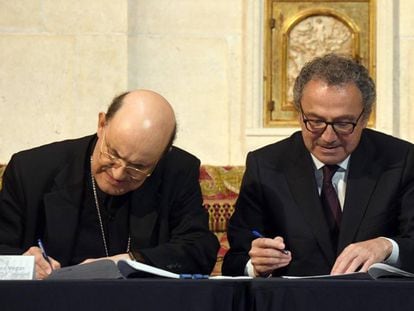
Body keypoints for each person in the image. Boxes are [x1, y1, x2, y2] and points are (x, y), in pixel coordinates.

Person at [222, 54, 414, 277]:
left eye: (343, 123)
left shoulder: (401, 160)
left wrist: (388, 246)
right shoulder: (265, 166)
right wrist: (255, 265)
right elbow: (235, 259)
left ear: (365, 118)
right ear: (298, 113)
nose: (328, 136)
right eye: (315, 121)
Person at [0, 89, 219, 279]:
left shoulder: (177, 171)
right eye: (113, 154)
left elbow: (199, 248)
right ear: (102, 124)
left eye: (138, 167)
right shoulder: (32, 170)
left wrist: (129, 261)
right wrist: (24, 264)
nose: (119, 172)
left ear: (162, 155)